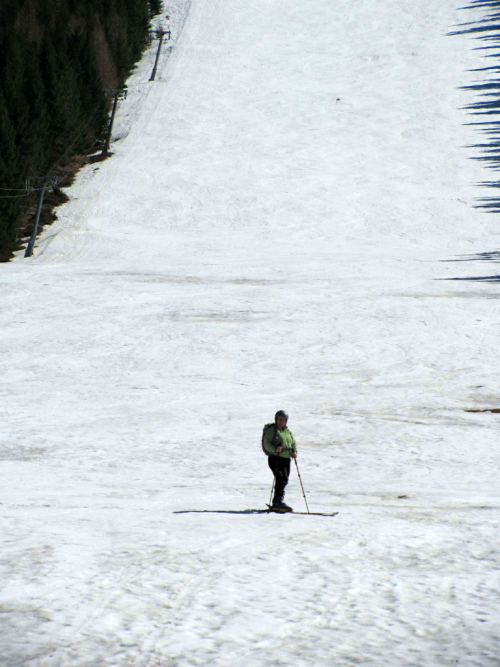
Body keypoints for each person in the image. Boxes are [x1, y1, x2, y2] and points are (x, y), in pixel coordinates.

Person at [263, 410, 298, 511]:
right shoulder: (272, 430)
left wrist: (294, 451)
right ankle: (277, 502)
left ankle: (278, 501)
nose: (280, 422)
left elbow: (293, 443)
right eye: (279, 419)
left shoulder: (287, 432)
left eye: (283, 420)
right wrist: (274, 449)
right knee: (281, 478)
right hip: (275, 458)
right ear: (276, 419)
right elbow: (267, 443)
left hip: (286, 458)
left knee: (284, 479)